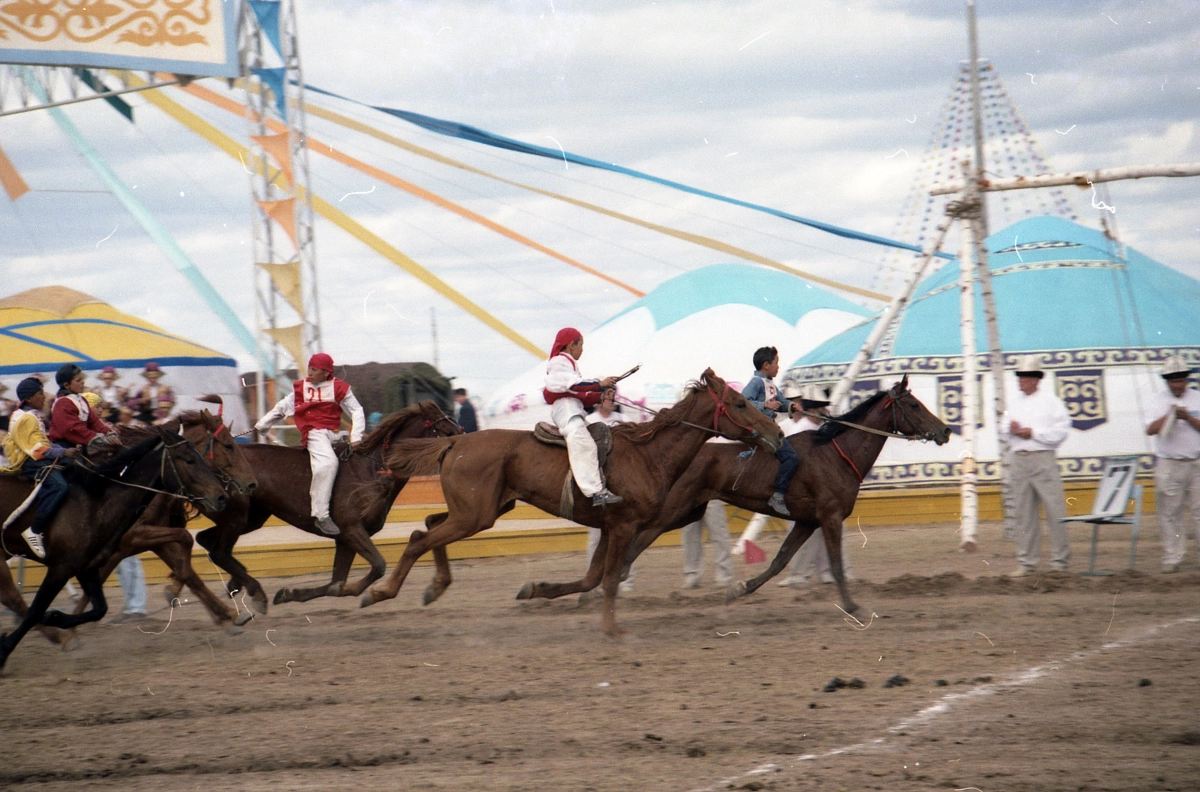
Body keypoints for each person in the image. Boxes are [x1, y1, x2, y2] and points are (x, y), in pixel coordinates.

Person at [255, 353, 365, 536]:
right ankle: (321, 516)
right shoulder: (302, 388)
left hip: (336, 433)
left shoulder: (340, 388)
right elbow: (282, 408)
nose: (310, 373)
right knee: (328, 464)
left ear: (326, 372)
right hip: (316, 433)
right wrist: (262, 425)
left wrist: (356, 437)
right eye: (309, 368)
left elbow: (357, 410)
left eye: (314, 369)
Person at [1000, 354, 1072, 576]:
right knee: (1023, 513)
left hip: (1042, 459)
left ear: (1036, 378)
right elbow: (1003, 429)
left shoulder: (1051, 402)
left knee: (1054, 510)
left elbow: (1062, 430)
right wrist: (1011, 429)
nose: (1021, 380)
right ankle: (1026, 561)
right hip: (1019, 460)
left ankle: (1060, 560)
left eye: (1026, 376)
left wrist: (1033, 433)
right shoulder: (1014, 404)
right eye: (1020, 376)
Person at [0, 378, 79, 559]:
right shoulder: (25, 418)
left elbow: (43, 442)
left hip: (35, 456)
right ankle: (34, 530)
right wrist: (64, 451)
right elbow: (35, 450)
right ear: (28, 398)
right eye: (40, 394)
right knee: (60, 486)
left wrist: (64, 451)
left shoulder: (31, 414)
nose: (44, 397)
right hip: (29, 461)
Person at [543, 328, 622, 507]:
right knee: (584, 445)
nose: (582, 350)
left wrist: (601, 395)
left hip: (572, 408)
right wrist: (599, 384)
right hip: (567, 411)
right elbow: (575, 386)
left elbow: (579, 394)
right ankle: (595, 492)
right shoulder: (559, 362)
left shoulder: (567, 364)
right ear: (572, 345)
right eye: (581, 345)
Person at [1145, 355, 1200, 573]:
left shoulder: (1197, 398)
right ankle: (1173, 557)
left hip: (1196, 463)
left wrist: (1188, 418)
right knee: (1170, 513)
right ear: (1166, 381)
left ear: (1186, 380)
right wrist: (1169, 415)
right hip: (1169, 463)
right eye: (1173, 380)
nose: (1177, 384)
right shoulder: (1157, 400)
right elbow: (1150, 430)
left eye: (1180, 380)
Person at [585, 390, 635, 592]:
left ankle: (627, 582)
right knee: (596, 537)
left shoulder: (624, 420)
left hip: (623, 484)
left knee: (627, 535)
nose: (612, 399)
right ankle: (594, 583)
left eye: (613, 396)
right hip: (599, 483)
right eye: (607, 396)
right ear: (598, 401)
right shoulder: (588, 421)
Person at [741, 346, 799, 515]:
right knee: (791, 456)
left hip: (770, 428)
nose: (778, 367)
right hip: (762, 430)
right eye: (776, 363)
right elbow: (743, 402)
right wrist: (764, 405)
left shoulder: (770, 384)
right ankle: (778, 494)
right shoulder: (756, 383)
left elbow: (781, 402)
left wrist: (791, 406)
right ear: (766, 365)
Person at [48, 364, 120, 453]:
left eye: (82, 379)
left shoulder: (81, 400)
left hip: (82, 441)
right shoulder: (62, 403)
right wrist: (95, 438)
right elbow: (73, 429)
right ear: (66, 385)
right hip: (65, 446)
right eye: (78, 380)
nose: (83, 382)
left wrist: (108, 433)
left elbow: (94, 421)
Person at [681, 500, 733, 588]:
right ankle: (691, 575)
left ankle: (724, 575)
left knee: (718, 534)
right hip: (689, 496)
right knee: (689, 536)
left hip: (711, 495)